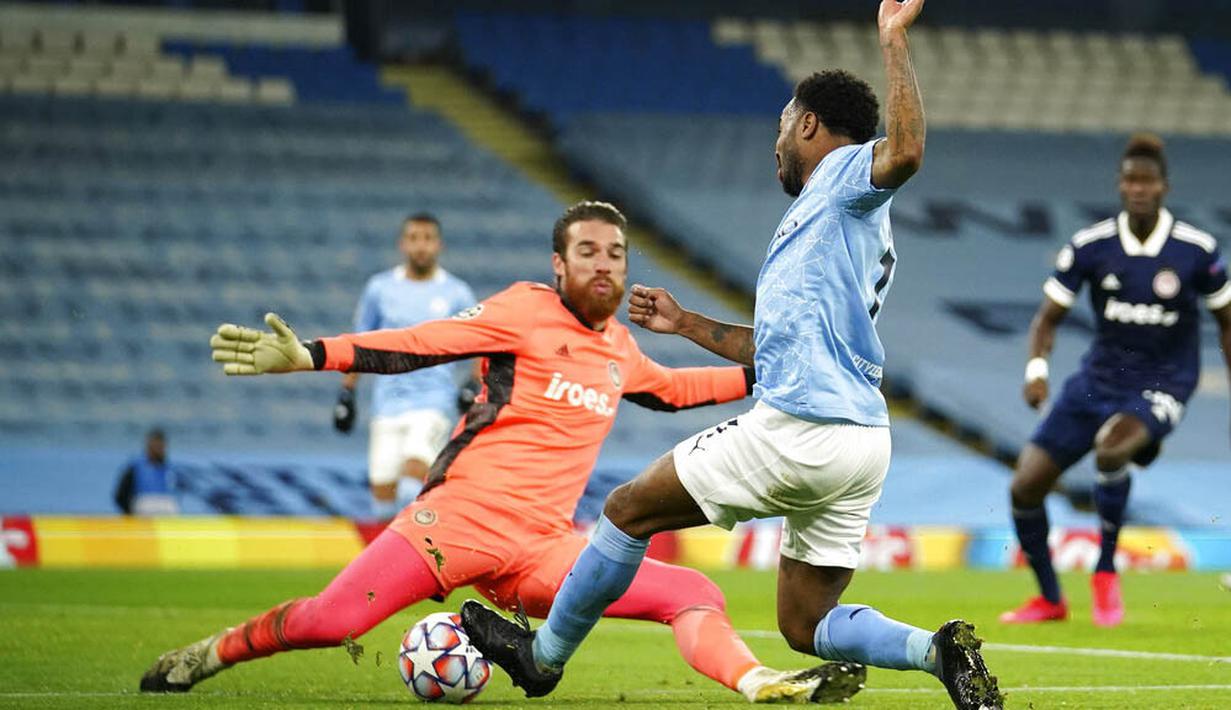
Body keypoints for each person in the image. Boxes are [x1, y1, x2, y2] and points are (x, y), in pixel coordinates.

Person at [458, 3, 1004, 710]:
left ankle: (542, 657)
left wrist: (892, 42)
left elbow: (903, 153)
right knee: (803, 625)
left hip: (802, 430)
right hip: (861, 442)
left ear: (808, 123)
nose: (775, 139)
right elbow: (774, 347)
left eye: (782, 123)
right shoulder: (829, 221)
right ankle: (935, 651)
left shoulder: (840, 176)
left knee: (626, 510)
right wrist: (687, 324)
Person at [140, 201, 868, 704]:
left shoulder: (616, 346)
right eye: (587, 253)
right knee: (330, 623)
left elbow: (673, 389)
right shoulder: (523, 308)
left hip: (543, 548)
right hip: (455, 523)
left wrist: (771, 371)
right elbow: (422, 344)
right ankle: (209, 654)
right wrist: (314, 355)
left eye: (615, 254)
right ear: (558, 265)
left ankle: (756, 682)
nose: (605, 267)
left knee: (693, 594)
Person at [1000, 133, 1231, 627]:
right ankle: (1050, 599)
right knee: (1024, 487)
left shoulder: (1196, 250)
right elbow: (1047, 319)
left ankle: (1106, 572)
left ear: (1164, 187)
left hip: (1165, 379)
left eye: (1147, 181)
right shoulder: (1091, 246)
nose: (1138, 189)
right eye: (1130, 180)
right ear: (1120, 185)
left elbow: (1227, 321)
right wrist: (1037, 370)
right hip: (1098, 379)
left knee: (1110, 450)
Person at [334, 213, 480, 520]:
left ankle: (421, 560)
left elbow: (481, 343)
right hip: (387, 405)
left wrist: (472, 384)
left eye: (427, 239)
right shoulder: (380, 289)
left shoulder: (456, 292)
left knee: (409, 489)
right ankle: (394, 567)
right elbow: (359, 342)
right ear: (403, 244)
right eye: (414, 238)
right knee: (383, 509)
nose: (421, 246)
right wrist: (347, 393)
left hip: (433, 403)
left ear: (438, 245)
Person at [113, 429, 177, 516]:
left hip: (167, 510)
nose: (158, 449)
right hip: (143, 507)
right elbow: (120, 496)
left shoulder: (171, 469)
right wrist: (129, 515)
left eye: (161, 446)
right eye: (155, 445)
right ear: (148, 446)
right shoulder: (135, 467)